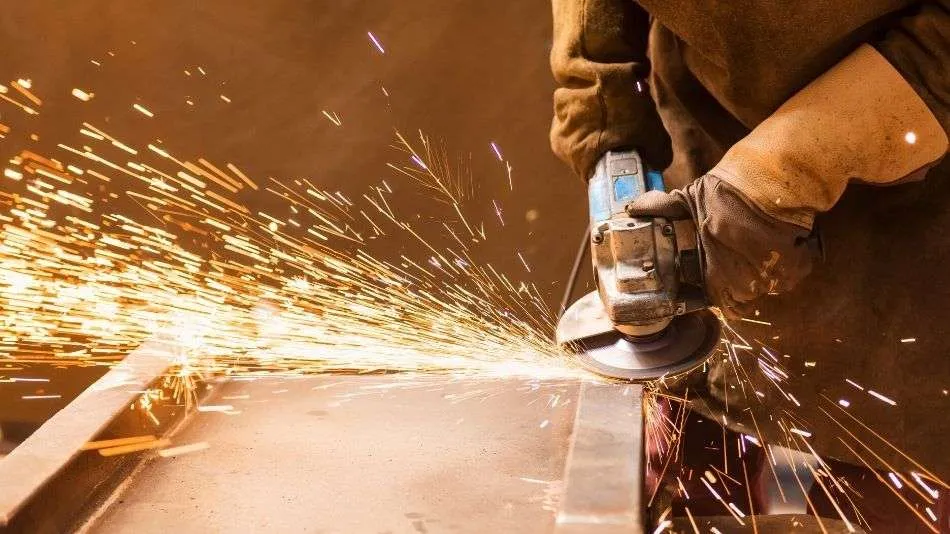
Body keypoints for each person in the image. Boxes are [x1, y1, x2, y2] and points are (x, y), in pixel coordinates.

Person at [549, 0, 949, 529]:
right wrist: (601, 104)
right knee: (695, 471)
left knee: (890, 487)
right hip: (710, 133)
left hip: (913, 193)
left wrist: (776, 176)